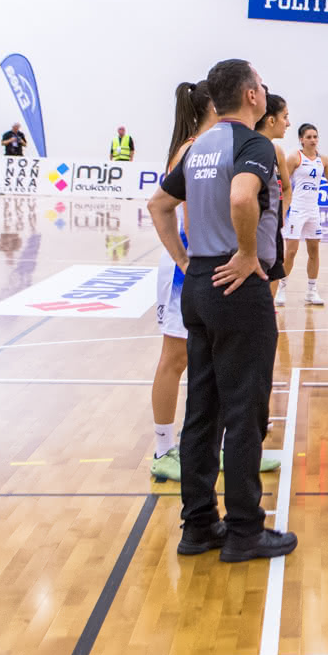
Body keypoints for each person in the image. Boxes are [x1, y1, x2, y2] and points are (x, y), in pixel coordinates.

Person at [147, 58, 296, 562]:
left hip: (199, 287)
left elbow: (158, 206)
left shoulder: (198, 146)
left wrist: (185, 260)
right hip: (237, 287)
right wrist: (249, 253)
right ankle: (245, 531)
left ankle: (198, 526)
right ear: (251, 95)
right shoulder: (251, 145)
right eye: (262, 82)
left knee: (203, 410)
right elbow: (241, 196)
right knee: (245, 412)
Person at [148, 81, 215, 483]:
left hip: (202, 259)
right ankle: (162, 450)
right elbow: (173, 209)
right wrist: (182, 258)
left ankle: (213, 444)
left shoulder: (212, 143)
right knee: (175, 358)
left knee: (212, 358)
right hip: (185, 263)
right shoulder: (194, 147)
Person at [277, 124, 328, 306]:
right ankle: (281, 288)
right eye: (309, 137)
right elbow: (283, 185)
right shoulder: (294, 158)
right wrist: (281, 210)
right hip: (296, 210)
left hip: (313, 211)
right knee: (291, 252)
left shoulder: (324, 160)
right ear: (301, 139)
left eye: (315, 136)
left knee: (314, 251)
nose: (313, 140)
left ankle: (311, 292)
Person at [256, 95, 292, 305]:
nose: (288, 123)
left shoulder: (277, 151)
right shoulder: (245, 147)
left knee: (274, 274)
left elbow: (286, 188)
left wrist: (280, 214)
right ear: (270, 120)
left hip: (272, 232)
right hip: (249, 234)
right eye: (285, 117)